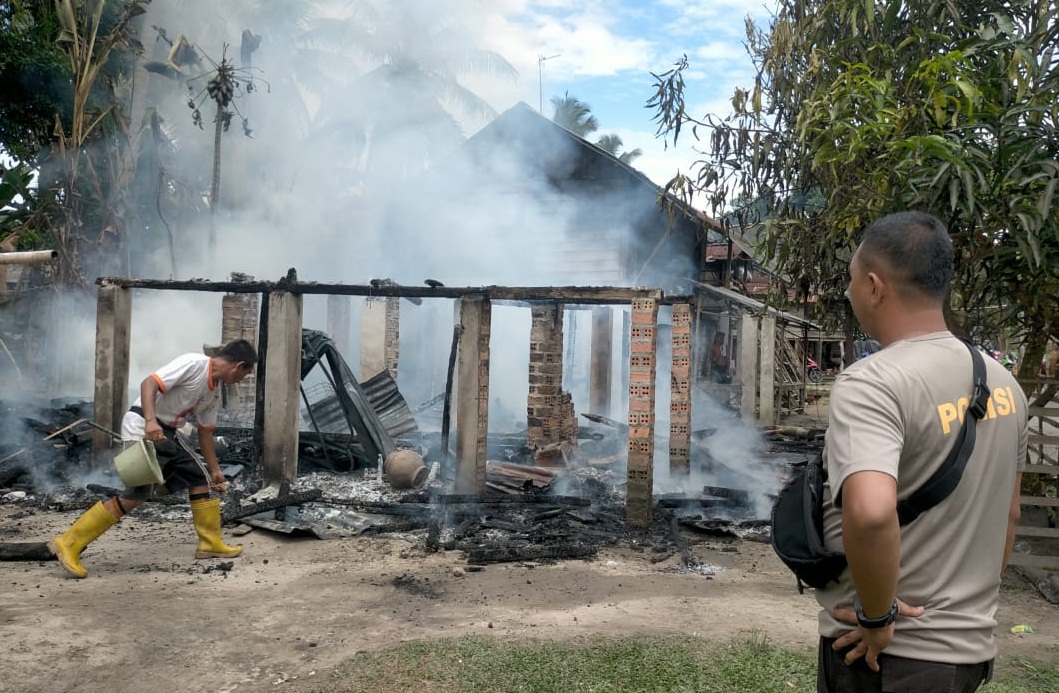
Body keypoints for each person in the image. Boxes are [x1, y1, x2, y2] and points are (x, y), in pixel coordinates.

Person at [816, 211, 1027, 692]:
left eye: (851, 281)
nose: (850, 294)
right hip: (967, 654)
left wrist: (877, 617)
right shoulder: (1004, 384)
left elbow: (869, 514)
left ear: (874, 285)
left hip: (886, 659)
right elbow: (1009, 515)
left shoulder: (873, 382)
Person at [48, 339, 258, 578]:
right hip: (141, 425)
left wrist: (215, 470)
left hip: (168, 434)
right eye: (246, 373)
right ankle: (69, 541)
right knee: (138, 493)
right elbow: (150, 383)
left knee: (197, 476)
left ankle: (209, 543)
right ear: (238, 366)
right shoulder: (194, 363)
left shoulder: (213, 393)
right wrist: (150, 420)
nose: (243, 379)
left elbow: (205, 431)